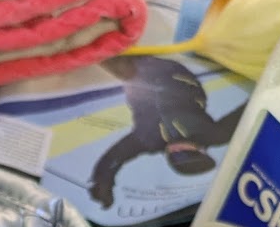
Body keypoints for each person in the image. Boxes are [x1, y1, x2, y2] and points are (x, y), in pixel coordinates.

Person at [89, 56, 245, 208]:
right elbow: (246, 114)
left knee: (116, 66)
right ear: (201, 150)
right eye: (184, 153)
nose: (176, 150)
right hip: (171, 75)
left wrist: (103, 184)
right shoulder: (215, 134)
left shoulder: (149, 140)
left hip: (137, 81)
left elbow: (115, 157)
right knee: (129, 67)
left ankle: (100, 51)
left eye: (174, 157)